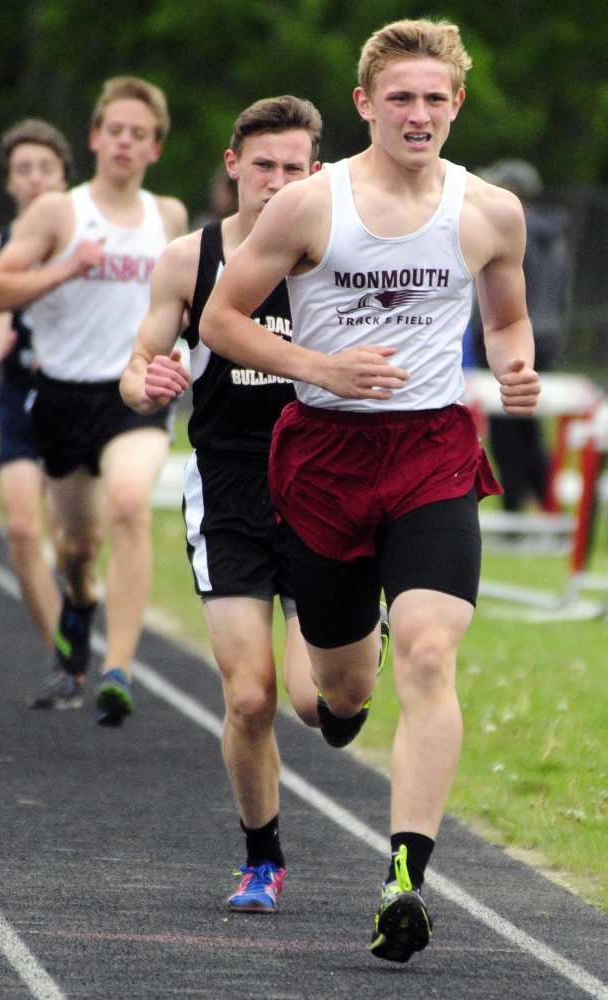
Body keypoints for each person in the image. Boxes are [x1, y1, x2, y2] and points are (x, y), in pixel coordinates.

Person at [201, 19, 540, 962]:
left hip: (433, 451)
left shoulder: (489, 211)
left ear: (456, 104)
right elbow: (223, 320)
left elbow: (507, 319)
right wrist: (321, 365)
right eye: (401, 98)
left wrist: (514, 370)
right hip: (324, 457)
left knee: (433, 656)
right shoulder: (308, 205)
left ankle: (404, 877)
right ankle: (355, 664)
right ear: (364, 104)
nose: (418, 114)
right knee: (330, 701)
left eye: (435, 98)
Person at [122, 95, 379, 913]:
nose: (275, 182)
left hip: (319, 485)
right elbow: (137, 367)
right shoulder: (184, 260)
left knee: (319, 703)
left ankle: (349, 690)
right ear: (233, 165)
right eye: (261, 165)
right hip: (228, 488)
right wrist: (149, 381)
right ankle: (261, 857)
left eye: (293, 168)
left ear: (317, 173)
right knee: (249, 697)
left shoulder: (335, 256)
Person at [0, 77, 188, 726]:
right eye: (115, 131)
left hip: (134, 392)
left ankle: (117, 669)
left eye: (139, 135)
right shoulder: (58, 213)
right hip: (62, 397)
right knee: (75, 546)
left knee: (129, 507)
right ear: (95, 137)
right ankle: (79, 599)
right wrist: (66, 267)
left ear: (155, 148)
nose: (125, 144)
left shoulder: (170, 217)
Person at [0, 120, 75, 653]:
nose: (34, 180)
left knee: (72, 541)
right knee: (22, 529)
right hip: (17, 399)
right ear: (9, 183)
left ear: (65, 179)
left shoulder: (90, 245)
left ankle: (80, 604)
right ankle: (64, 653)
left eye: (45, 169)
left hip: (78, 400)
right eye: (23, 170)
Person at [472, 160, 571, 511]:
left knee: (506, 432)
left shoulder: (511, 228)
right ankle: (547, 506)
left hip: (513, 336)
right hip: (547, 337)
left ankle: (514, 511)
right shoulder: (555, 234)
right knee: (529, 429)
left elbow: (497, 296)